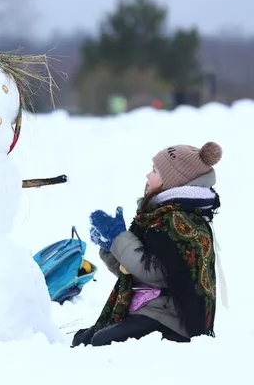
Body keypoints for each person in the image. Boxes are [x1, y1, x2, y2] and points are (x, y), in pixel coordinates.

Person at [72, 141, 223, 347]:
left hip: (174, 320)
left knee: (101, 342)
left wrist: (119, 238)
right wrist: (110, 247)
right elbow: (134, 274)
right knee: (84, 340)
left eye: (155, 170)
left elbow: (156, 273)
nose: (147, 176)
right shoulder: (158, 215)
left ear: (173, 180)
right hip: (150, 308)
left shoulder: (181, 220)